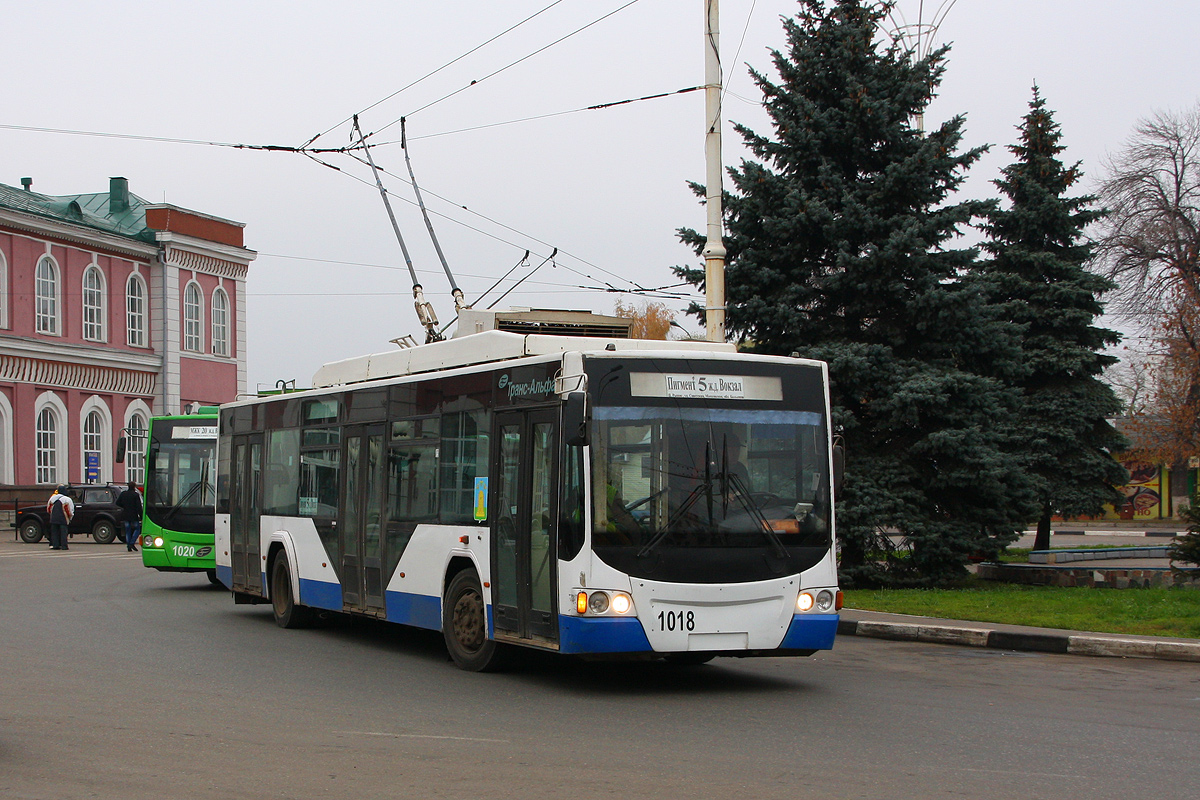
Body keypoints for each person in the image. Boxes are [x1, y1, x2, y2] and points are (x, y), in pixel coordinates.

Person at [116, 481, 143, 552]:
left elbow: (117, 503)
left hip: (125, 514)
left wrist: (124, 506)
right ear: (134, 487)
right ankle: (132, 542)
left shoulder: (123, 494)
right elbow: (139, 506)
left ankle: (128, 545)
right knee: (137, 529)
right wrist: (141, 516)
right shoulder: (135, 495)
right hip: (133, 515)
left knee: (128, 530)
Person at [46, 486, 74, 551]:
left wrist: (52, 515)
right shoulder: (67, 499)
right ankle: (64, 546)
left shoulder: (52, 498)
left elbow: (48, 509)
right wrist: (70, 517)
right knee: (63, 533)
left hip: (54, 518)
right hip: (63, 518)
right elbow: (70, 510)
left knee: (55, 532)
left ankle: (55, 545)